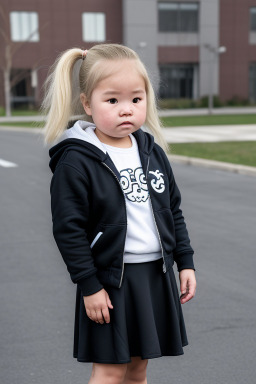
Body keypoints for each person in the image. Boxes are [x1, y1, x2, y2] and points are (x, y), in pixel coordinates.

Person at [42, 43, 196, 384]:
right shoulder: (76, 161)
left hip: (155, 276)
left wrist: (184, 261)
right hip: (111, 282)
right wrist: (89, 286)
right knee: (111, 372)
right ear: (87, 104)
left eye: (136, 99)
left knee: (138, 369)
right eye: (112, 100)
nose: (126, 109)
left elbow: (173, 210)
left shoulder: (152, 152)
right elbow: (69, 230)